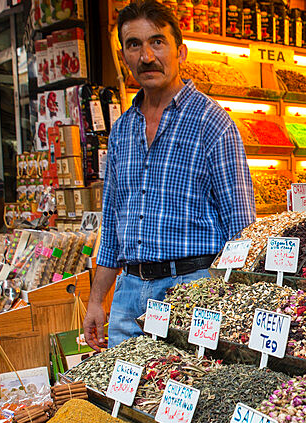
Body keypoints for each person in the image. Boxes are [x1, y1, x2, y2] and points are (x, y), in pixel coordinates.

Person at [82, 0, 255, 350]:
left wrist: (239, 308)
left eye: (157, 42)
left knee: (184, 397)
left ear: (181, 51)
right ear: (124, 56)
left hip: (191, 291)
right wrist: (95, 300)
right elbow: (113, 226)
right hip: (129, 295)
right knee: (120, 399)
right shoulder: (122, 130)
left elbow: (241, 230)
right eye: (134, 45)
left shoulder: (212, 123)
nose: (146, 56)